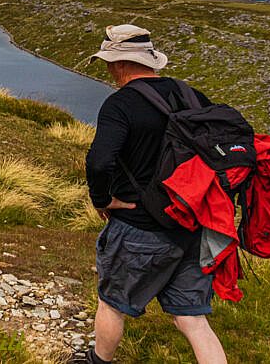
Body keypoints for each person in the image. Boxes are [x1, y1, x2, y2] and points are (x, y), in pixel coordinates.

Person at [77, 25, 227, 364]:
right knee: (191, 318)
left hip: (139, 226)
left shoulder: (121, 104)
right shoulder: (191, 95)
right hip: (191, 224)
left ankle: (97, 361)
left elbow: (100, 162)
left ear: (118, 64)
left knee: (112, 303)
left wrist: (102, 200)